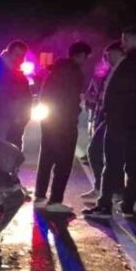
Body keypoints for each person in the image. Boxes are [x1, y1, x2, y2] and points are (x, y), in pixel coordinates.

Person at [83, 27, 136, 220]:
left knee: (113, 163)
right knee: (132, 164)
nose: (123, 44)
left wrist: (113, 113)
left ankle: (105, 206)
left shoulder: (132, 62)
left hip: (121, 121)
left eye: (124, 41)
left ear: (130, 40)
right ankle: (128, 205)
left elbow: (123, 92)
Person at [34, 42, 92, 213]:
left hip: (50, 120)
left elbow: (45, 95)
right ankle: (55, 200)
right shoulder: (74, 72)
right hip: (65, 121)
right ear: (81, 55)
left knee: (46, 157)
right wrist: (77, 109)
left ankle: (40, 196)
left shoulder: (54, 70)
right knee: (64, 161)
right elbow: (71, 98)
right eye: (86, 57)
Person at [80, 41, 125, 199]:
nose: (107, 58)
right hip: (104, 115)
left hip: (116, 118)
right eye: (106, 55)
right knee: (103, 153)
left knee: (102, 152)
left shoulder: (124, 72)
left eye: (110, 54)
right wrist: (94, 98)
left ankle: (112, 190)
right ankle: (103, 188)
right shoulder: (109, 72)